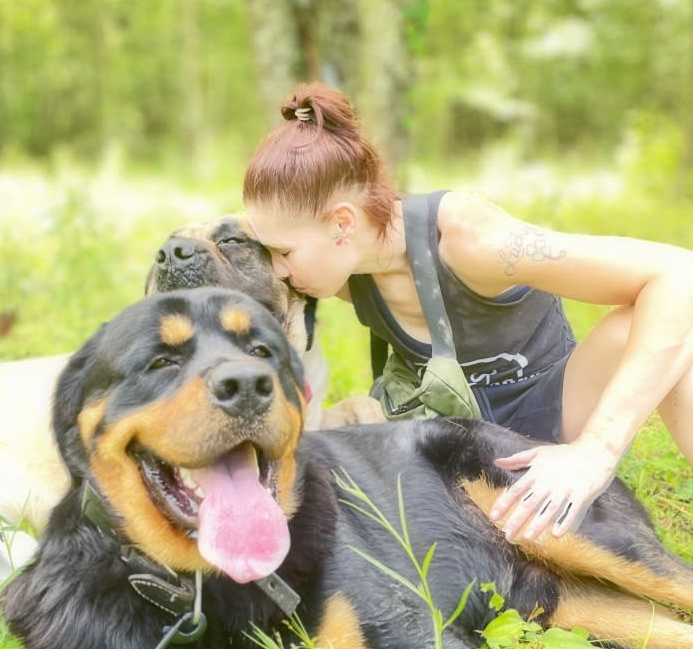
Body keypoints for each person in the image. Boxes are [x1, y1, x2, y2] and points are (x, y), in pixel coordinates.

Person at [243, 82, 693, 542]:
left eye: (282, 252)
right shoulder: (341, 270)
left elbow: (679, 273)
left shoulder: (471, 242)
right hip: (453, 438)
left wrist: (595, 451)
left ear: (343, 223)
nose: (276, 268)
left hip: (548, 410)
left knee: (656, 322)